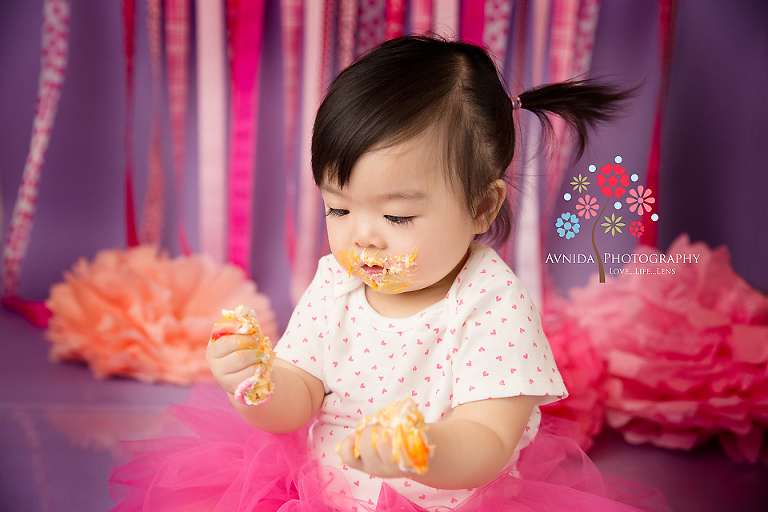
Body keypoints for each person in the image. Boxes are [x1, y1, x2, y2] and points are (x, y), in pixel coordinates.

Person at [111, 36, 662, 511]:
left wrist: (423, 450)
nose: (363, 237)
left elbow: (488, 437)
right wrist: (255, 383)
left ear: (481, 207)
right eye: (339, 209)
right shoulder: (338, 286)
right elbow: (299, 396)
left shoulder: (491, 304)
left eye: (397, 216)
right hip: (321, 496)